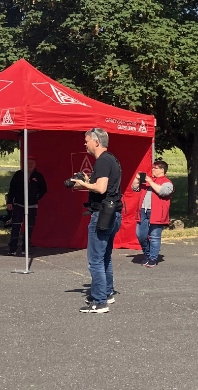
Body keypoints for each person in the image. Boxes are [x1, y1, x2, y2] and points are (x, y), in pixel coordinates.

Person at [73, 128, 123, 313]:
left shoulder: (102, 161)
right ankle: (107, 293)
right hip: (114, 213)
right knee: (105, 257)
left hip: (102, 214)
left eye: (86, 141)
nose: (84, 144)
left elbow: (101, 189)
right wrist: (88, 179)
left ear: (96, 142)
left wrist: (82, 184)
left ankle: (99, 301)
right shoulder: (112, 159)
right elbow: (107, 185)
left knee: (95, 260)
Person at [132, 159, 174, 268]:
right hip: (143, 211)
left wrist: (150, 182)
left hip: (157, 212)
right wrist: (137, 179)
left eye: (155, 168)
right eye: (153, 167)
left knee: (155, 236)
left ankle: (152, 258)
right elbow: (134, 188)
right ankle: (147, 254)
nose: (153, 169)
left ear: (162, 170)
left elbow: (163, 191)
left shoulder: (167, 182)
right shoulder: (148, 180)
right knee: (140, 235)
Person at [6, 155, 47, 256]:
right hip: (19, 204)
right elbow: (12, 189)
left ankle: (25, 249)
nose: (30, 165)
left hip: (32, 206)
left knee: (29, 228)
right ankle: (12, 249)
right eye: (28, 163)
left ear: (35, 164)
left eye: (32, 163)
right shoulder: (18, 174)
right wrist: (9, 202)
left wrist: (37, 196)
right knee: (16, 227)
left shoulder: (38, 176)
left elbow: (44, 189)